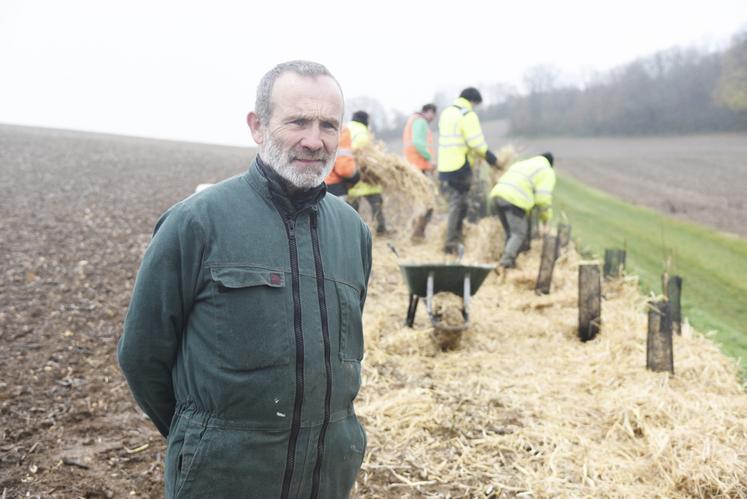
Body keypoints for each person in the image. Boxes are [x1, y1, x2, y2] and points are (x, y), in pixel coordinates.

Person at [118, 60, 372, 499]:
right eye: (297, 122)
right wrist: (208, 438)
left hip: (327, 478)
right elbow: (142, 355)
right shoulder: (197, 222)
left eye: (329, 125)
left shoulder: (353, 231)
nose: (314, 140)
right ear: (257, 126)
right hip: (225, 479)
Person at [437, 87, 499, 254]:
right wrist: (491, 158)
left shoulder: (447, 113)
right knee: (458, 205)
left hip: (444, 166)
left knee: (454, 204)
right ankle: (451, 242)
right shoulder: (467, 115)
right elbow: (476, 143)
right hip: (460, 166)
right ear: (473, 101)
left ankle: (453, 239)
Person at [489, 152, 556, 268]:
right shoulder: (547, 170)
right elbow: (543, 199)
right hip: (514, 200)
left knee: (511, 234)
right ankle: (504, 263)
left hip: (496, 196)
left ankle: (510, 264)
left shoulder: (523, 164)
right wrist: (545, 219)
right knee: (518, 234)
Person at [346, 111, 389, 235]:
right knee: (376, 202)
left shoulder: (345, 129)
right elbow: (367, 156)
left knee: (351, 208)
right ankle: (381, 229)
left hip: (350, 176)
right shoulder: (362, 133)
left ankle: (350, 231)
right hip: (365, 177)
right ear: (365, 121)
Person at [324, 123, 360, 198]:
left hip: (310, 188)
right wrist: (355, 176)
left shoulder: (305, 124)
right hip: (334, 188)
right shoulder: (341, 129)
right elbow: (344, 169)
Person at [402, 103, 436, 173]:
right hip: (417, 162)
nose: (433, 118)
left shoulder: (414, 119)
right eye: (433, 114)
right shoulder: (420, 121)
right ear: (429, 111)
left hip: (412, 162)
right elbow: (418, 142)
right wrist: (429, 157)